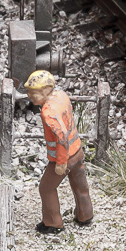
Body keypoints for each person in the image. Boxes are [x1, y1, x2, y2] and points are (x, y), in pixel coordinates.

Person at [23, 69, 93, 234]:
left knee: (46, 188)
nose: (29, 96)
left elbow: (61, 137)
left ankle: (53, 223)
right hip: (77, 151)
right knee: (79, 184)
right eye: (29, 92)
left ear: (47, 90)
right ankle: (85, 214)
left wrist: (61, 163)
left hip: (65, 157)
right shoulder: (61, 95)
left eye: (34, 93)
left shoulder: (48, 112)